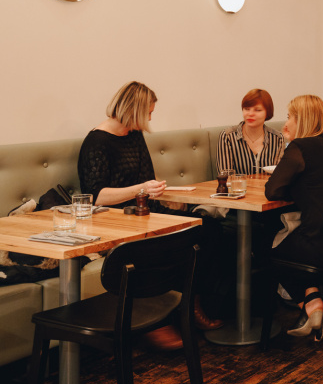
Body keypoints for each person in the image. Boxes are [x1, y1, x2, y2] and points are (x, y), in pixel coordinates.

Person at [77, 81, 223, 349]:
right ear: (134, 110)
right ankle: (156, 319)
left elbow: (146, 178)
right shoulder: (96, 142)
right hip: (115, 218)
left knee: (208, 229)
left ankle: (190, 304)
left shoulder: (134, 135)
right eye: (148, 113)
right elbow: (96, 196)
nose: (150, 119)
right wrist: (141, 189)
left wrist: (159, 191)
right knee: (161, 245)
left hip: (144, 210)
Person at [265, 95, 323, 339]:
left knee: (266, 251)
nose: (286, 122)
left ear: (302, 119)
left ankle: (310, 305)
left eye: (289, 117)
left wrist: (290, 146)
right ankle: (314, 300)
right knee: (294, 243)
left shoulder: (300, 148)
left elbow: (272, 191)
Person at [216, 88, 285, 175]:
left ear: (267, 113)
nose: (250, 114)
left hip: (269, 184)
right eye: (247, 109)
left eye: (257, 110)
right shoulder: (227, 136)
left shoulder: (277, 138)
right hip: (237, 184)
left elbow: (279, 175)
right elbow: (225, 175)